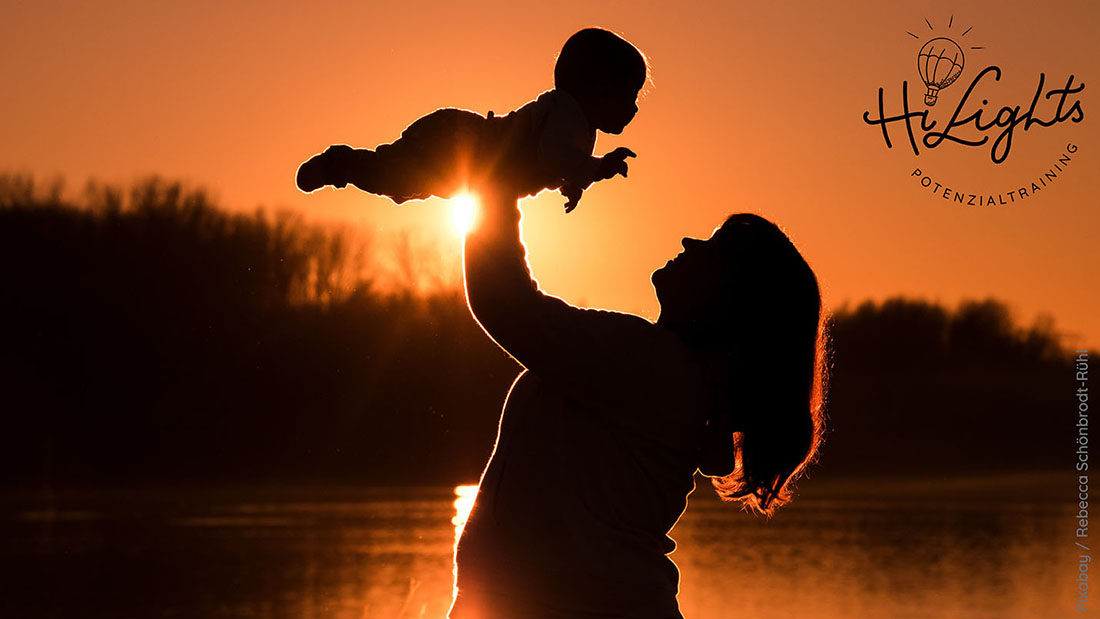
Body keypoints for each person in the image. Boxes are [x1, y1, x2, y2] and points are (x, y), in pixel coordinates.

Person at [450, 181, 829, 618]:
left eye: (712, 248)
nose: (690, 241)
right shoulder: (669, 376)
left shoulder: (655, 365)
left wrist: (498, 183)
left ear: (726, 301)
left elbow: (505, 304)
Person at [295, 28, 645, 213]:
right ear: (598, 87)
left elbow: (556, 161)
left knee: (403, 184)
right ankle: (339, 163)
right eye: (629, 96)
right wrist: (595, 170)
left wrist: (573, 182)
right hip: (460, 142)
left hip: (470, 155)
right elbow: (554, 155)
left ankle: (344, 165)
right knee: (397, 177)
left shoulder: (577, 128)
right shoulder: (566, 112)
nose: (634, 109)